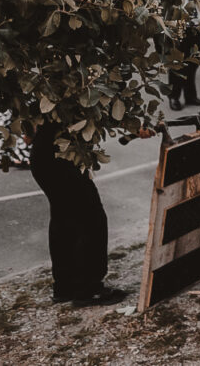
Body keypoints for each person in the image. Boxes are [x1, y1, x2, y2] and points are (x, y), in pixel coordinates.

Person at [29, 121, 128, 307]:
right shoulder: (70, 94)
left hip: (44, 155)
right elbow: (90, 110)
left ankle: (65, 287)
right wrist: (134, 125)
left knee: (63, 218)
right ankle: (88, 290)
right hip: (61, 159)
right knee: (91, 219)